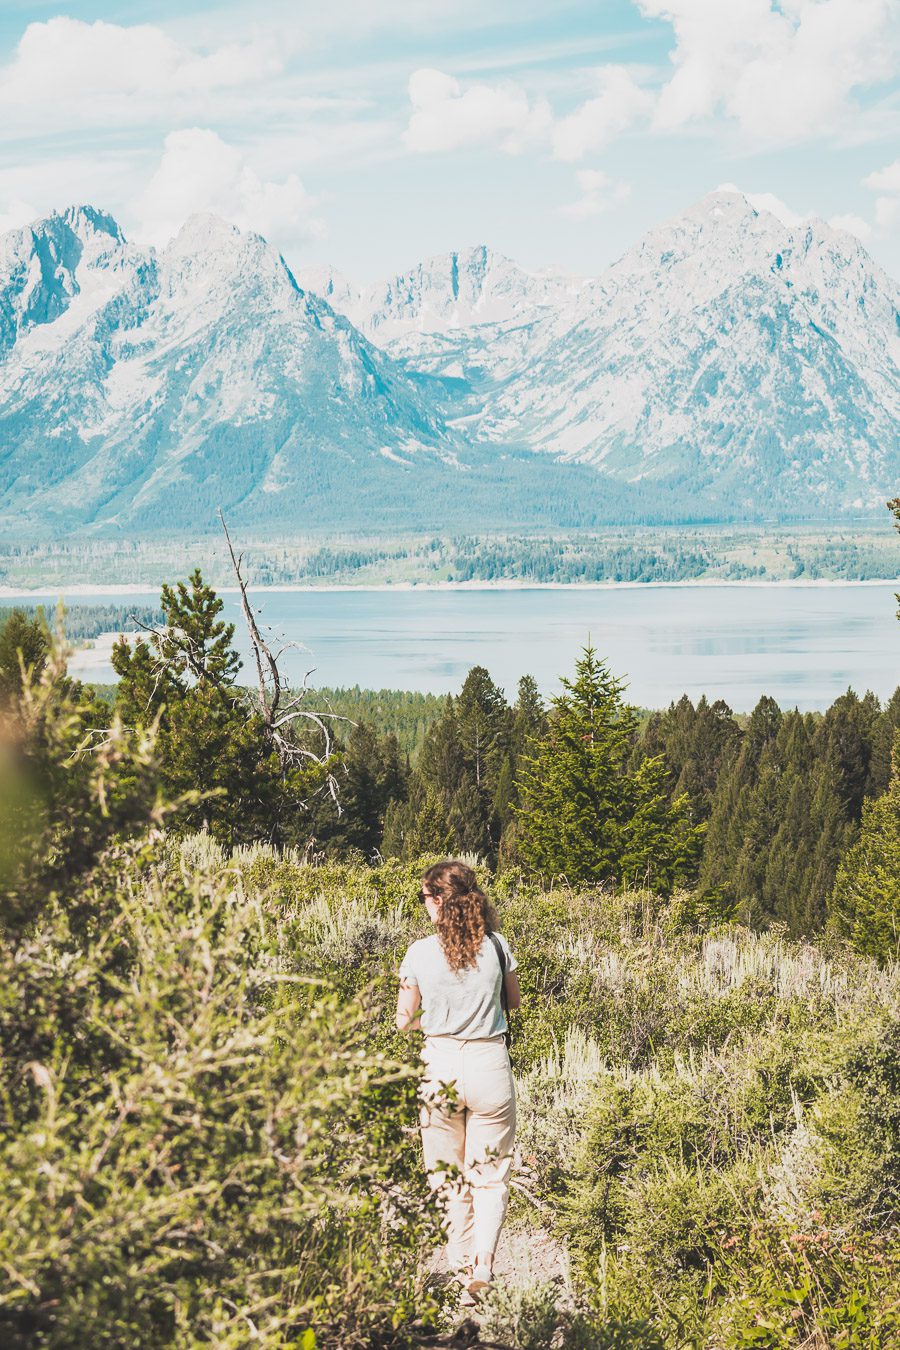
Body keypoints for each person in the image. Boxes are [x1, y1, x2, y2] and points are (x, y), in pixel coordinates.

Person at [396, 859, 521, 1299]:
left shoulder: (418, 953)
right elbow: (514, 1004)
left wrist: (439, 1021)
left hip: (440, 1065)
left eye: (426, 896)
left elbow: (404, 1020)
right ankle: (483, 1265)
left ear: (439, 900)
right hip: (489, 1064)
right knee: (490, 1176)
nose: (423, 904)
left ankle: (459, 1264)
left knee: (447, 1176)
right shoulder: (499, 946)